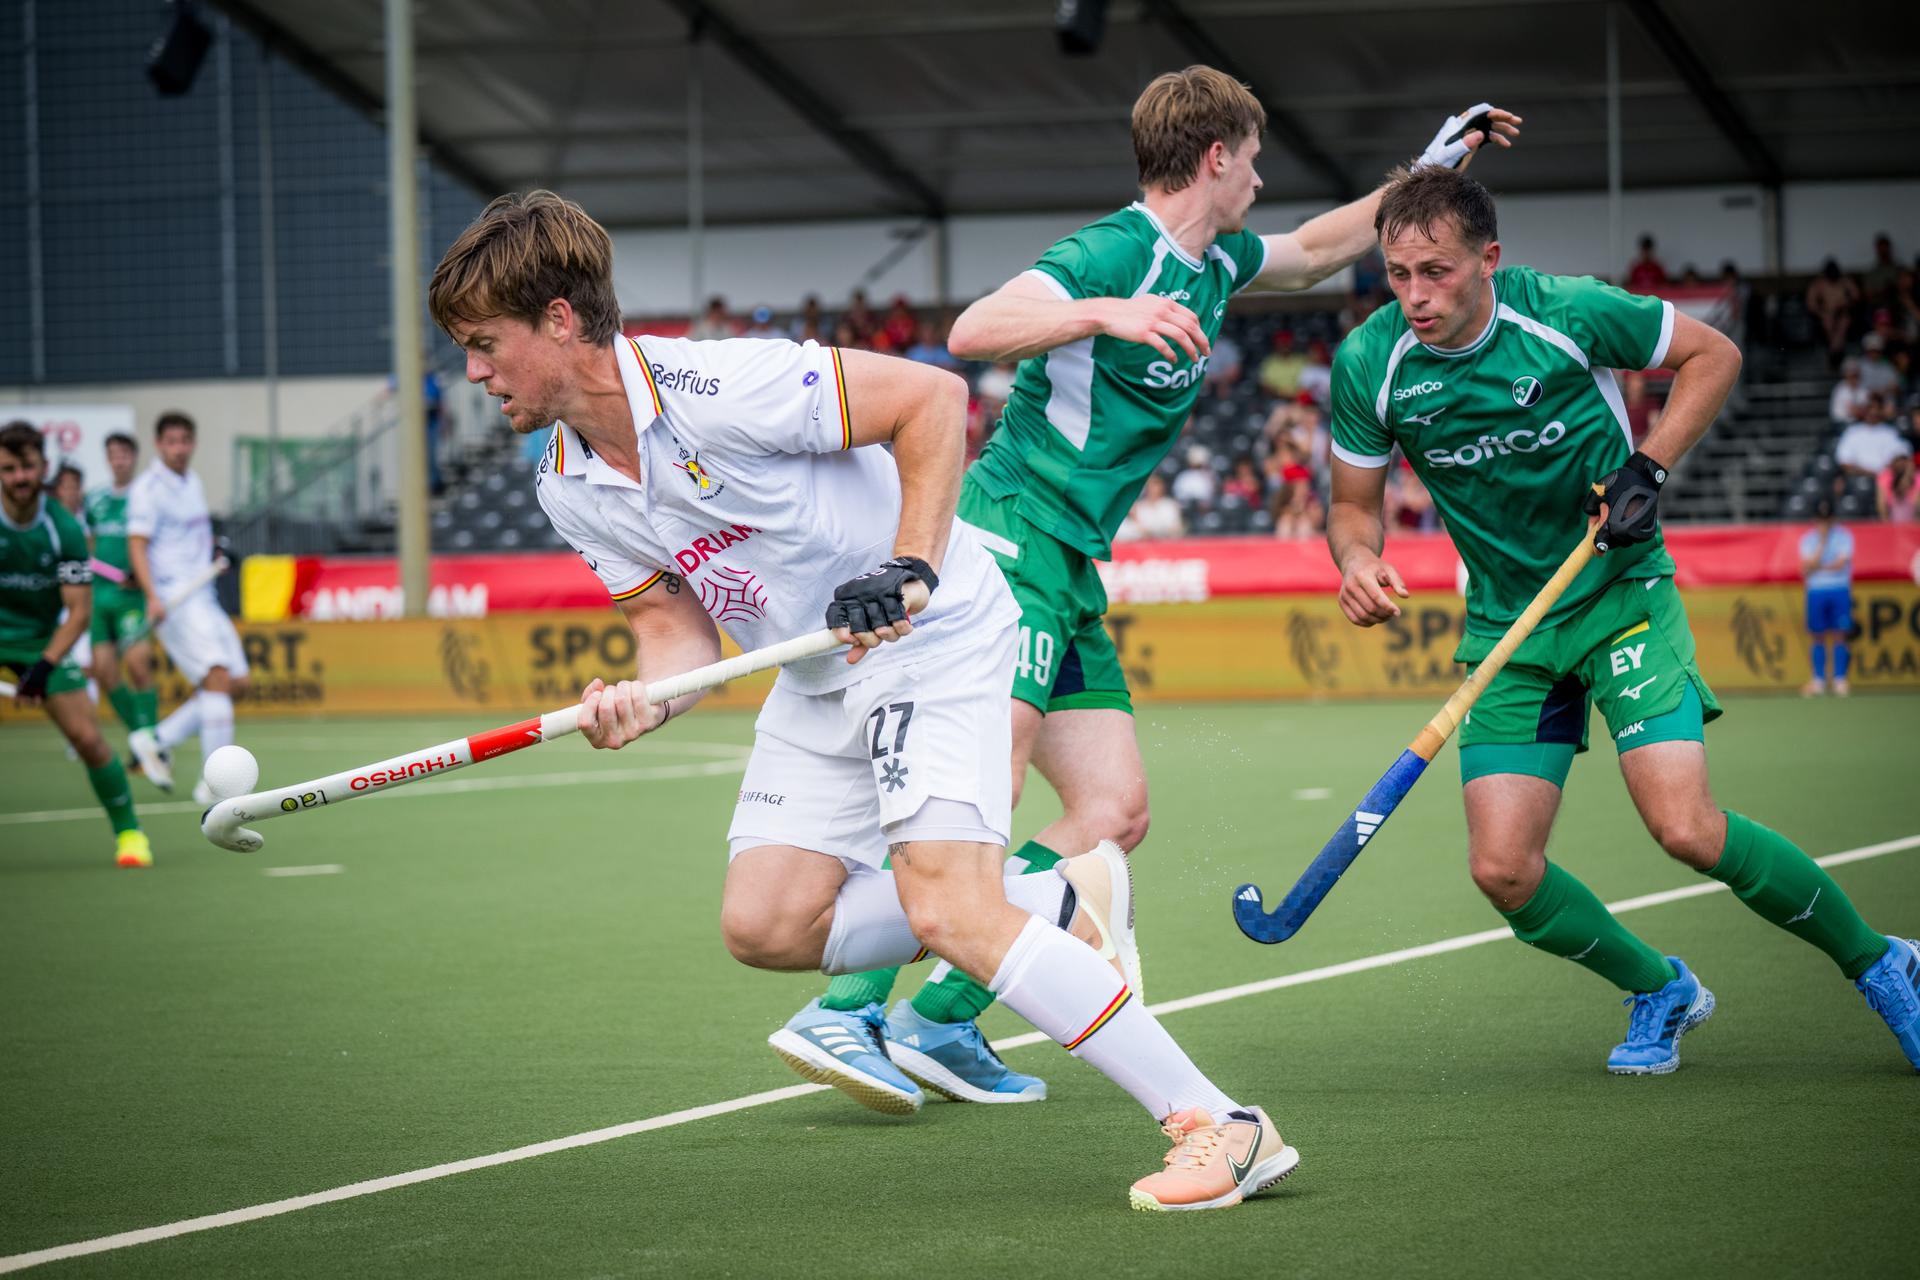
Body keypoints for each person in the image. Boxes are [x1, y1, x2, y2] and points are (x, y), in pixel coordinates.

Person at [428, 189, 1294, 1211]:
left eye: (486, 344)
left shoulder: (715, 383)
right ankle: (1058, 897)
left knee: (945, 903)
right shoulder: (566, 483)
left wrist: (911, 564)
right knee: (767, 923)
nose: (474, 372)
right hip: (813, 668)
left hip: (933, 634)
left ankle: (1220, 1122)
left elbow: (929, 400)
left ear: (561, 322)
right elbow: (673, 631)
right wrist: (639, 702)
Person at [775, 67, 1522, 1125]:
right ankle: (846, 1005)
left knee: (1112, 812)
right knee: (977, 804)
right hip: (1009, 545)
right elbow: (980, 329)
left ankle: (942, 1013)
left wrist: (1432, 167)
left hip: (1070, 565)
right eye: (1255, 159)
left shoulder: (1218, 262)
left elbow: (1317, 249)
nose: (1263, 180)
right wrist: (1105, 312)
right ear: (1214, 157)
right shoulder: (1117, 250)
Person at [1326, 164, 1918, 1075]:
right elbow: (1352, 507)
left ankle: (1883, 963)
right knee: (1505, 871)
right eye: (1397, 275)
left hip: (1621, 594)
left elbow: (1713, 354)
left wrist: (1648, 467)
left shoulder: (1565, 312)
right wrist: (1358, 560)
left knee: (1685, 827)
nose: (1414, 296)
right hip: (1509, 632)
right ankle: (1660, 988)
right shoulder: (1373, 362)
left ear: (1488, 259)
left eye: (1435, 272)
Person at [0, 422, 151, 866]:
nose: (19, 478)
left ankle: (130, 834)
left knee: (87, 737)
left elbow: (79, 612)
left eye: (27, 467)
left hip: (41, 640)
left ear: (44, 467)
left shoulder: (63, 528)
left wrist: (43, 669)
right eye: (8, 469)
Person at [127, 411, 249, 807]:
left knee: (237, 683)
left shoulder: (191, 481)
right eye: (171, 441)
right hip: (175, 600)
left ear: (193, 443)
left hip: (204, 595)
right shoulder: (147, 489)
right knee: (216, 678)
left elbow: (190, 539)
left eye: (185, 441)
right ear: (159, 444)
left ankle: (154, 739)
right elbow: (138, 546)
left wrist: (214, 553)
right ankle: (217, 786)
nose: (179, 449)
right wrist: (152, 597)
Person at [85, 432, 169, 787]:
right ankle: (141, 741)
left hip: (132, 600)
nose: (118, 460)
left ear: (133, 457)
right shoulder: (96, 500)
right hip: (99, 599)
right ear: (107, 459)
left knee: (137, 665)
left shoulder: (144, 496)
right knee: (104, 672)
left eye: (124, 454)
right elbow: (88, 544)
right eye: (113, 455)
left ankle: (153, 743)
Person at [1798, 497, 1854, 698]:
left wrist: (1817, 566)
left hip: (1839, 588)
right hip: (1816, 591)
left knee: (1840, 633)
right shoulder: (1808, 539)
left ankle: (1839, 679)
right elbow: (1805, 568)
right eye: (1821, 519)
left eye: (1827, 518)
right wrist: (1821, 543)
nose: (1824, 523)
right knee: (1817, 635)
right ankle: (1819, 680)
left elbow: (1841, 563)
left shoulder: (1844, 536)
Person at [1805, 260, 1860, 370]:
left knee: (1843, 324)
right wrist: (1821, 312)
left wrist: (1846, 304)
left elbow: (1856, 296)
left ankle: (1834, 353)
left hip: (1843, 313)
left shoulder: (1844, 280)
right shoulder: (1819, 283)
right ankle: (1836, 354)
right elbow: (1810, 303)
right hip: (1826, 314)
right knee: (1828, 323)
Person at [1879, 451, 1918, 523]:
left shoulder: (1915, 477)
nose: (1901, 465)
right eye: (1899, 461)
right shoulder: (1889, 477)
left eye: (1904, 462)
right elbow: (1901, 488)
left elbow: (1917, 504)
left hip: (1912, 521)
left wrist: (1909, 472)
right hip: (1895, 522)